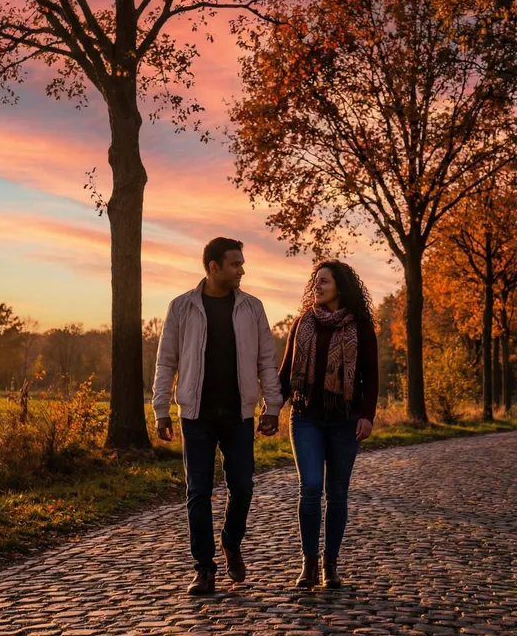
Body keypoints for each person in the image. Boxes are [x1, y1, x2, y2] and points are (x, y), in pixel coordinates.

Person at [152, 237, 283, 595]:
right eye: (235, 264)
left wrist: (272, 406)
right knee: (198, 491)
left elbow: (266, 362)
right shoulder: (181, 307)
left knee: (242, 486)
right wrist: (160, 409)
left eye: (241, 263)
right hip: (196, 415)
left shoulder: (253, 308)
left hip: (239, 413)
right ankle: (204, 568)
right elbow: (167, 361)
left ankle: (230, 540)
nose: (242, 270)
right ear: (213, 267)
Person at [279, 259, 379, 589]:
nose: (317, 286)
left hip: (344, 420)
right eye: (316, 281)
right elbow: (285, 374)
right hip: (306, 417)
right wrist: (270, 411)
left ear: (341, 286)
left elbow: (371, 376)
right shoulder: (302, 323)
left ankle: (330, 565)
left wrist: (367, 415)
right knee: (310, 487)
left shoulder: (361, 326)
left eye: (325, 281)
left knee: (336, 493)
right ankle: (308, 564)